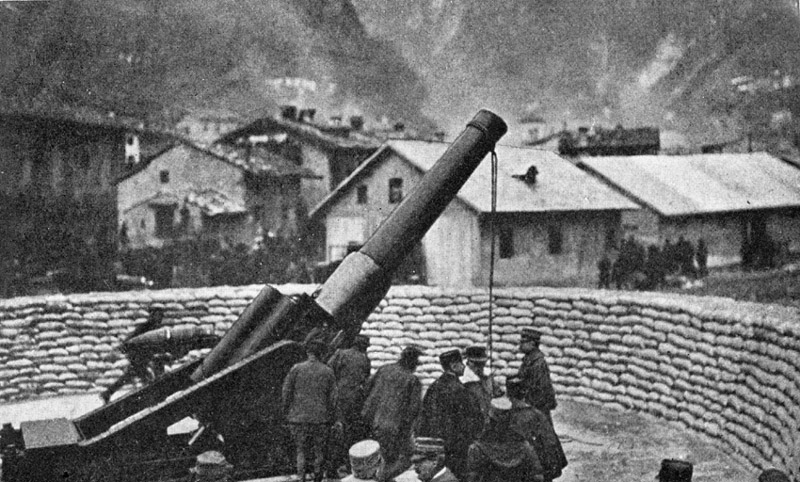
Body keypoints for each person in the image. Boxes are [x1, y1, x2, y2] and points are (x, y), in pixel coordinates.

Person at [418, 349, 484, 481]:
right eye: (461, 364)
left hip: (436, 444)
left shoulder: (434, 386)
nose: (464, 367)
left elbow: (424, 415)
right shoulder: (460, 389)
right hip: (456, 446)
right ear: (454, 366)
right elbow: (472, 419)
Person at [362, 346, 424, 481]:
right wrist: (407, 431)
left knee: (372, 459)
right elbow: (413, 410)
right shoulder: (412, 380)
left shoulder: (384, 370)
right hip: (392, 426)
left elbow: (367, 388)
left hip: (371, 422)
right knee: (396, 460)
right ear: (412, 362)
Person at [282, 338, 337, 482]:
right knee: (319, 451)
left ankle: (301, 478)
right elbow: (333, 398)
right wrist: (331, 416)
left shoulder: (296, 369)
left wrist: (286, 411)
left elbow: (286, 392)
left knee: (301, 450)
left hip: (298, 418)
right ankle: (318, 478)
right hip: (321, 419)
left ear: (308, 352)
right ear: (321, 353)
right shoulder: (328, 372)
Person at [466, 398, 543, 482]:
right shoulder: (524, 446)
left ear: (490, 419)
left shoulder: (477, 448)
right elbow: (538, 476)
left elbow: (472, 478)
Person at [506, 377, 567, 482]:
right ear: (525, 393)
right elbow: (550, 443)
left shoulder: (505, 417)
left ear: (508, 395)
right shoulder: (538, 416)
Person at [101, 308, 166, 403]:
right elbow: (131, 338)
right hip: (137, 355)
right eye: (157, 316)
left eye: (160, 317)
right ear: (152, 316)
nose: (159, 319)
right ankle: (153, 398)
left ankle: (107, 393)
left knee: (130, 375)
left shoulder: (156, 328)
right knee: (144, 377)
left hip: (144, 355)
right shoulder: (145, 327)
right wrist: (122, 349)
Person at [328, 335, 373, 473]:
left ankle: (331, 467)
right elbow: (366, 379)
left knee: (335, 433)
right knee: (351, 434)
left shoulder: (340, 353)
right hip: (355, 402)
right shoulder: (365, 360)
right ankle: (349, 466)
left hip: (337, 399)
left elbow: (329, 369)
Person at [516, 328, 557, 426]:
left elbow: (540, 388)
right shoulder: (529, 359)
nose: (520, 345)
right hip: (533, 402)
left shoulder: (538, 363)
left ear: (532, 344)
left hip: (538, 403)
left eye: (523, 342)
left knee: (544, 429)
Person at [461, 345, 502, 421]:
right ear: (468, 362)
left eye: (481, 364)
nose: (479, 368)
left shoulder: (488, 376)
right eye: (476, 364)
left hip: (489, 419)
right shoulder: (463, 380)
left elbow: (497, 393)